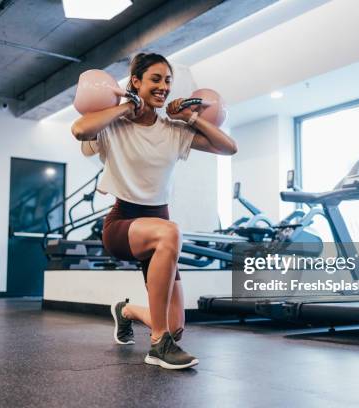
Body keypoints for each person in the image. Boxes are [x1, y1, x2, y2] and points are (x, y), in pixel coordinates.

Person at [71, 53, 237, 370]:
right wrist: (125, 107)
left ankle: (128, 312)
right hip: (123, 225)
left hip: (160, 231)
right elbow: (80, 129)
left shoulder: (173, 130)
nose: (163, 86)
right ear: (136, 82)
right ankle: (158, 345)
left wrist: (190, 117)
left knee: (177, 327)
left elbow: (228, 148)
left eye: (168, 81)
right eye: (155, 79)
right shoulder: (113, 125)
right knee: (171, 231)